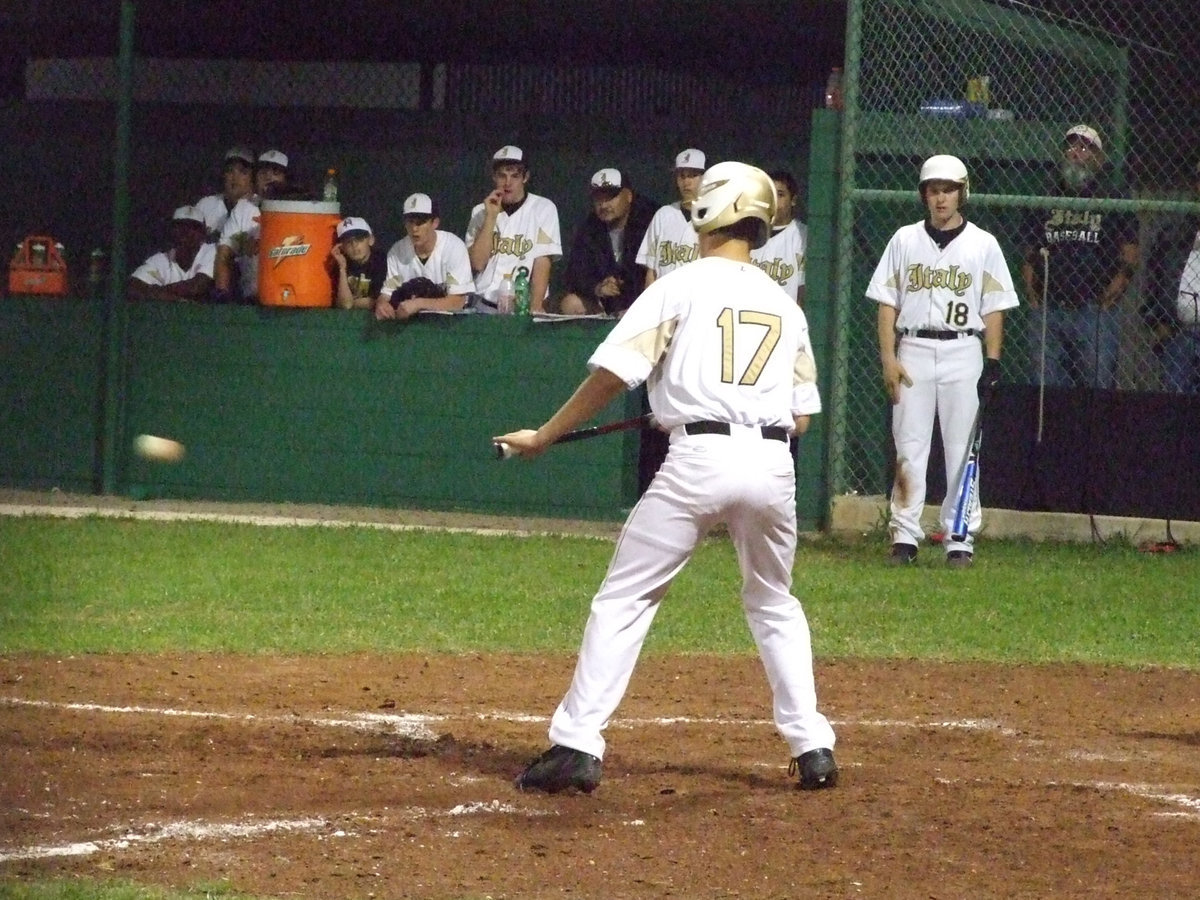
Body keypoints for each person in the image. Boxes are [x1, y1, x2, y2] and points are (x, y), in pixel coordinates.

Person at [495, 161, 838, 795]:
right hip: (771, 464)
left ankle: (575, 744)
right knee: (773, 602)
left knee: (625, 599)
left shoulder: (678, 287)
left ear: (711, 211)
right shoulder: (784, 306)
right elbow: (802, 418)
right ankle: (812, 743)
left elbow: (611, 376)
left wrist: (545, 435)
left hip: (699, 462)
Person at [867, 155, 1019, 567]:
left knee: (962, 448)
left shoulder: (983, 243)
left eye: (948, 189)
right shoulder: (904, 239)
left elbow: (993, 308)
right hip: (913, 349)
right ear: (923, 195)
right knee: (909, 447)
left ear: (962, 193)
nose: (940, 198)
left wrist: (993, 361)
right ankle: (905, 536)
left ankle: (959, 539)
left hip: (963, 350)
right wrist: (888, 358)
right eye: (933, 190)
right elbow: (886, 303)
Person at [1020, 125, 1139, 389]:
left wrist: (1111, 296)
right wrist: (1033, 297)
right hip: (1049, 307)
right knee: (1045, 388)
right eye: (1071, 146)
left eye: (1084, 148)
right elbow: (1029, 252)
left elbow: (1130, 253)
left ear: (1098, 158)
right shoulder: (1047, 194)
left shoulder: (1113, 196)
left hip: (1093, 310)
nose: (1075, 153)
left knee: (1096, 386)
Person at [465, 145, 562, 313]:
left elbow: (543, 261)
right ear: (494, 177)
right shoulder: (480, 211)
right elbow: (477, 264)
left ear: (525, 177)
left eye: (515, 176)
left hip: (522, 306)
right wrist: (490, 218)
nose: (507, 183)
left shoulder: (543, 208)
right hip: (482, 305)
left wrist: (536, 307)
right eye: (502, 175)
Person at [550, 168, 657, 316]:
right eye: (598, 199)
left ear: (629, 196)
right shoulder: (590, 227)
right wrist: (597, 287)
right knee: (570, 304)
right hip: (606, 307)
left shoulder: (649, 221)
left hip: (642, 304)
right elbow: (574, 274)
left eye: (610, 197)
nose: (604, 205)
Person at [1140, 160, 1200, 394]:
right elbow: (1154, 277)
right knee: (1175, 401)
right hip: (1180, 331)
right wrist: (1157, 321)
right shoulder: (1174, 230)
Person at [376, 193, 476, 321]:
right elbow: (386, 294)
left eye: (421, 222)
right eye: (410, 222)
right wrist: (382, 304)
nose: (414, 229)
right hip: (411, 328)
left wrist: (418, 304)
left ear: (435, 223)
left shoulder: (453, 247)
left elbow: (457, 301)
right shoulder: (397, 252)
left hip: (449, 326)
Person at [213, 148, 290, 304]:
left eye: (276, 172)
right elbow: (224, 254)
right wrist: (222, 292)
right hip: (252, 300)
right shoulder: (244, 208)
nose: (269, 177)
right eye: (263, 173)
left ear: (286, 179)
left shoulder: (298, 209)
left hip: (288, 298)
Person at [635, 148, 705, 288]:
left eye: (692, 175)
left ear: (705, 177)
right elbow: (651, 271)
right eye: (682, 176)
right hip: (666, 301)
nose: (686, 182)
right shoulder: (663, 214)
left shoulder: (715, 216)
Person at [127, 205, 215, 303]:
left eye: (193, 227)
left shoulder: (212, 251)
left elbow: (196, 287)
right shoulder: (160, 260)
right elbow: (133, 286)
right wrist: (173, 298)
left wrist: (156, 292)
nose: (186, 232)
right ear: (171, 231)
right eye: (180, 226)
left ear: (203, 233)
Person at [752, 170, 808, 305]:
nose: (774, 200)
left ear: (793, 200)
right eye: (769, 194)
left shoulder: (802, 236)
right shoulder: (748, 233)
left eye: (780, 194)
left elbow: (803, 291)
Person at [193, 146, 255, 243]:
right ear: (223, 175)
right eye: (230, 171)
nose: (235, 177)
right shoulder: (206, 205)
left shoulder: (259, 207)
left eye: (243, 172)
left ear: (252, 178)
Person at [331, 216, 387, 311]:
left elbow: (378, 302)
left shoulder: (382, 262)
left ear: (371, 239)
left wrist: (353, 302)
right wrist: (342, 269)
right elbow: (345, 304)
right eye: (348, 242)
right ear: (342, 247)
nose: (354, 245)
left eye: (359, 239)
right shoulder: (340, 264)